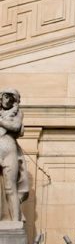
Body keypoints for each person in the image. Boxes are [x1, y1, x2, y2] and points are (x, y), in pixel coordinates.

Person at [0, 89, 28, 222]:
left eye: (11, 98)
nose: (8, 100)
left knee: (10, 187)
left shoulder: (17, 113)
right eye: (6, 96)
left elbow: (16, 127)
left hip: (9, 149)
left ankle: (15, 222)